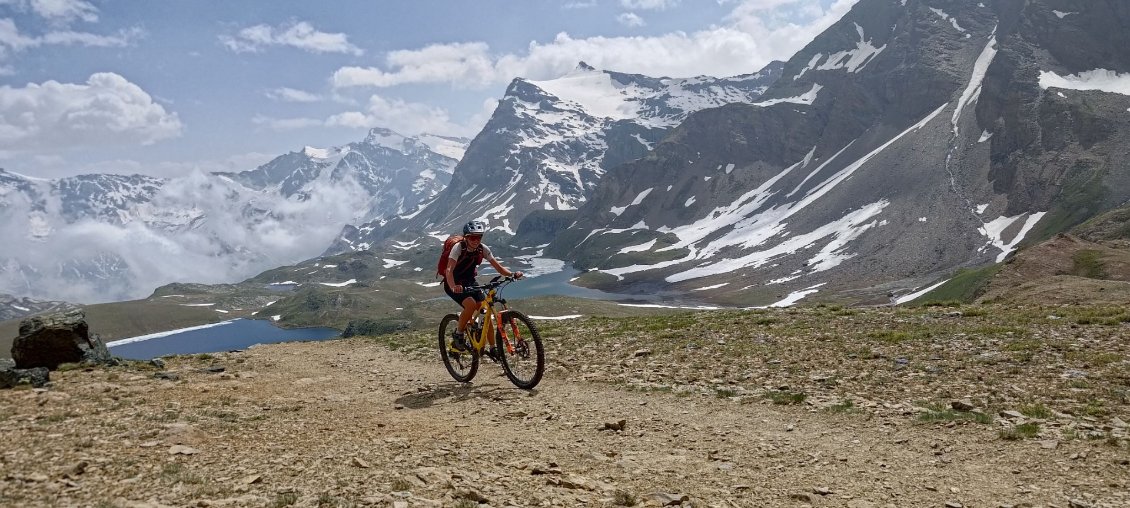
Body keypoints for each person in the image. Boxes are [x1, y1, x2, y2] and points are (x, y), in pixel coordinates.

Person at [443, 220, 523, 352]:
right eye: (473, 237)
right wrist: (453, 286)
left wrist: (512, 274)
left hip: (469, 281)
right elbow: (449, 270)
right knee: (471, 304)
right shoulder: (458, 248)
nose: (476, 240)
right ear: (466, 237)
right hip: (453, 282)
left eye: (479, 237)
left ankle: (493, 347)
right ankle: (458, 334)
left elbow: (499, 268)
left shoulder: (482, 248)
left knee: (485, 312)